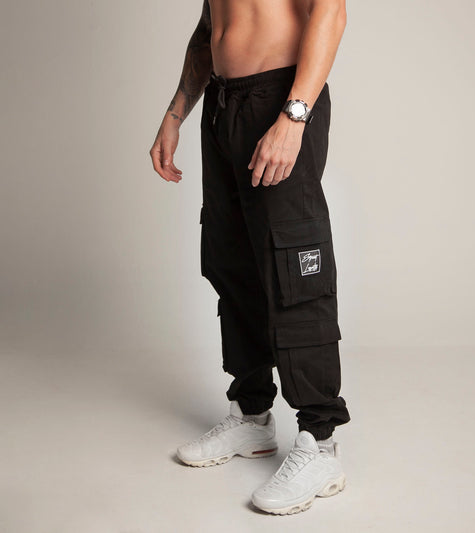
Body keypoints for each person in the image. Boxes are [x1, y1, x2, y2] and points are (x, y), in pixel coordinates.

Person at [149, 0, 350, 515]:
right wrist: (175, 114)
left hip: (279, 99)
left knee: (293, 269)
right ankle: (252, 415)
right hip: (222, 103)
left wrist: (294, 115)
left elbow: (330, 11)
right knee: (232, 262)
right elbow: (210, 26)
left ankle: (321, 441)